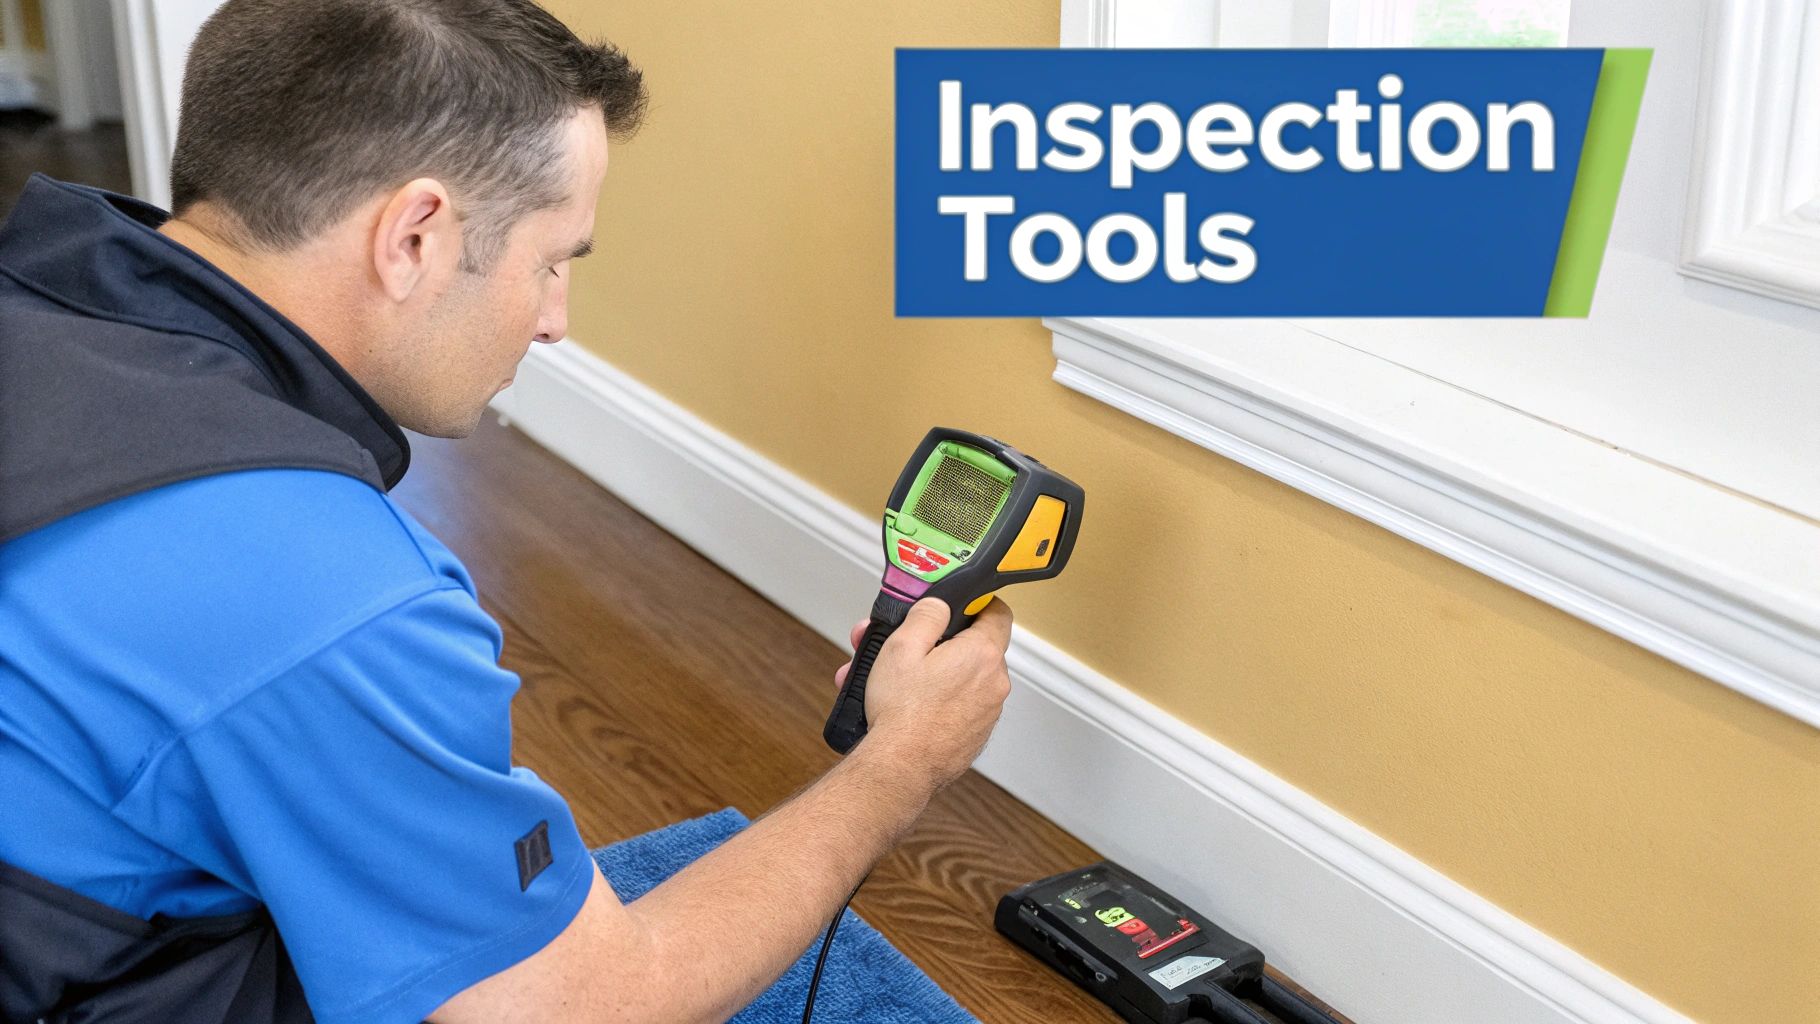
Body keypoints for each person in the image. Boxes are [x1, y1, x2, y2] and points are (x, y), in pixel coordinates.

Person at [0, 1, 1015, 1022]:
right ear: (413, 235)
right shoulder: (327, 603)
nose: (555, 320)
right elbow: (597, 1007)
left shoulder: (32, 305)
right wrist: (901, 761)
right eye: (551, 261)